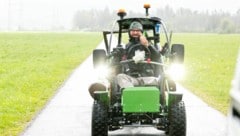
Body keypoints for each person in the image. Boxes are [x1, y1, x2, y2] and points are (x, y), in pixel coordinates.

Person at [116, 21, 161, 88]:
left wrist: (147, 45)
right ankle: (131, 93)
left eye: (137, 31)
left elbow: (157, 56)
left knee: (162, 79)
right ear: (129, 32)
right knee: (120, 77)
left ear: (141, 32)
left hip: (147, 79)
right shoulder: (127, 46)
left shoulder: (148, 44)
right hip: (132, 79)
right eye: (133, 31)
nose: (135, 32)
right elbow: (122, 60)